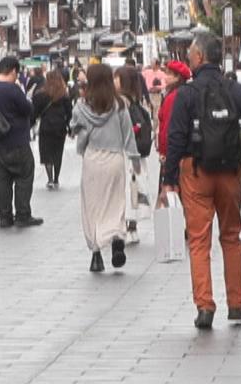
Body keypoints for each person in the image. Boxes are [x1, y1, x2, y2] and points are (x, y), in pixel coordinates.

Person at [159, 36, 241, 329]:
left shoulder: (187, 94)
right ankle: (237, 303)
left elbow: (176, 137)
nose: (190, 58)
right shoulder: (237, 91)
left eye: (191, 54)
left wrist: (169, 180)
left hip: (196, 172)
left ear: (200, 56)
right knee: (231, 237)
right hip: (230, 171)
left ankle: (205, 306)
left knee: (199, 241)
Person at [73, 63, 138, 272]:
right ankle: (117, 237)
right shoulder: (119, 105)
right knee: (115, 202)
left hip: (93, 158)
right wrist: (135, 159)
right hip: (115, 159)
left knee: (92, 207)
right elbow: (128, 135)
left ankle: (96, 254)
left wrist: (83, 143)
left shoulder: (82, 106)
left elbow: (77, 132)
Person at [0, 56, 41, 228]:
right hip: (16, 141)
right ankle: (22, 215)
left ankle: (4, 217)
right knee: (25, 175)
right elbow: (28, 109)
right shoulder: (13, 89)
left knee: (2, 178)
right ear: (14, 71)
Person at [115, 63, 153, 243]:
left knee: (125, 190)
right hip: (137, 154)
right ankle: (132, 227)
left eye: (116, 77)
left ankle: (124, 227)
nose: (113, 81)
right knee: (134, 190)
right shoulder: (136, 102)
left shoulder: (120, 103)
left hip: (125, 154)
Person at [31, 69, 75, 190]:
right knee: (58, 153)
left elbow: (34, 112)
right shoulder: (64, 95)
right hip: (60, 128)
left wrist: (31, 123)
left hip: (46, 127)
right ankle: (56, 178)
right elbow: (69, 113)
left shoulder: (41, 94)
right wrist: (70, 128)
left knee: (47, 153)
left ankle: (50, 178)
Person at [156, 60, 191, 159]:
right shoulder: (185, 92)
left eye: (169, 74)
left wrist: (163, 151)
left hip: (171, 150)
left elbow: (167, 125)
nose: (165, 77)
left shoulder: (173, 97)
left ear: (177, 77)